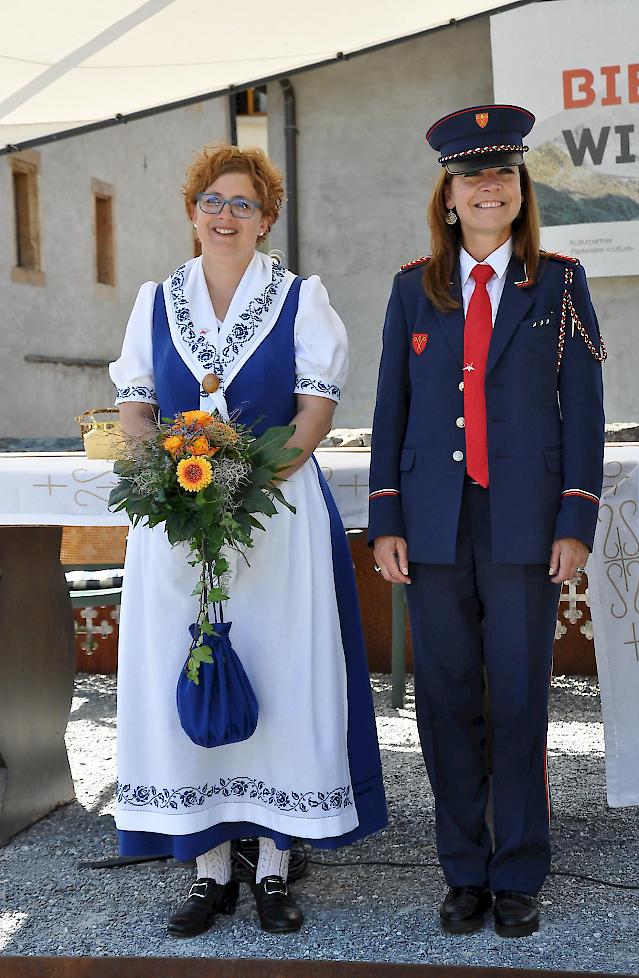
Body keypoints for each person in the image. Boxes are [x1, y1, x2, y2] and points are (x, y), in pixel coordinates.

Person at [110, 143, 387, 937]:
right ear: (192, 212)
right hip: (177, 524)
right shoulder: (153, 301)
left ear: (267, 219)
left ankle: (271, 862)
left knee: (280, 671)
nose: (225, 216)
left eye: (244, 204)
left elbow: (313, 413)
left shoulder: (301, 298)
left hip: (276, 521)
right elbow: (134, 408)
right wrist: (166, 481)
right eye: (213, 201)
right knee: (183, 668)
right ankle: (205, 867)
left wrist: (247, 484)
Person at [368, 104, 606, 938]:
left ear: (519, 188)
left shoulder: (560, 282)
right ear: (448, 197)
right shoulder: (412, 289)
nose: (487, 187)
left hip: (526, 525)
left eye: (501, 173)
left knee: (517, 698)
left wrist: (575, 517)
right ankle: (463, 871)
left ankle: (519, 872)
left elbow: (583, 409)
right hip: (433, 526)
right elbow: (390, 406)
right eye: (471, 176)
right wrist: (385, 519)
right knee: (443, 699)